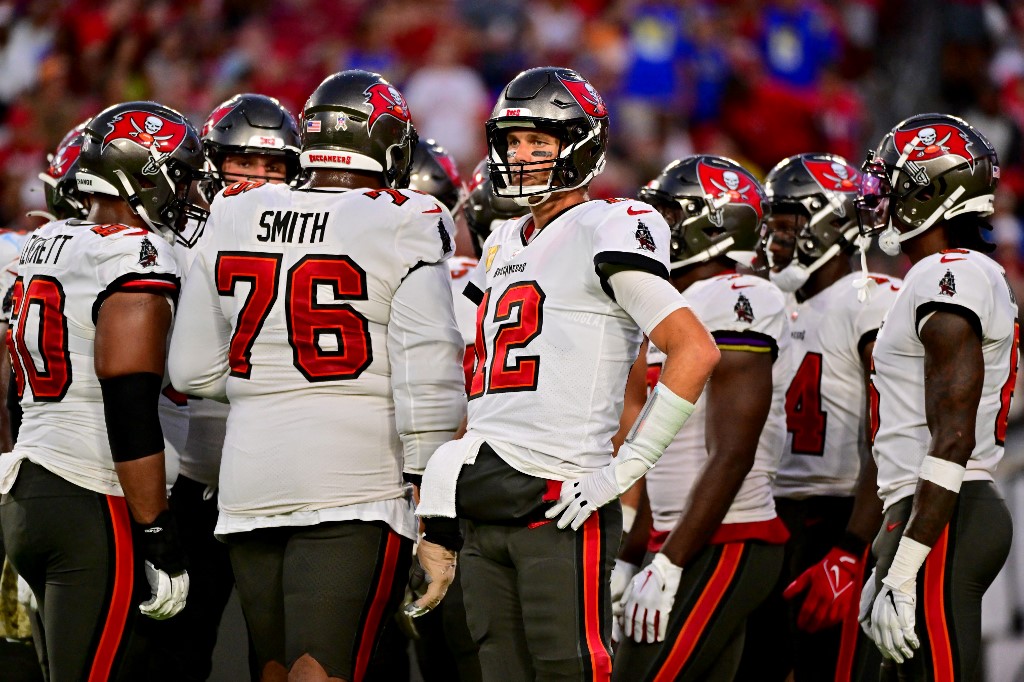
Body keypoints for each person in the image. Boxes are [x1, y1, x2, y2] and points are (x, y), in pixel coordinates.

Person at [416, 66, 720, 681]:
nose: (521, 155)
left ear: (579, 144)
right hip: (485, 496)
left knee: (569, 670)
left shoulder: (604, 224)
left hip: (561, 498)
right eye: (514, 140)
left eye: (539, 141)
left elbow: (693, 350)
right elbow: (469, 366)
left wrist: (624, 471)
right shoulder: (503, 239)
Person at [167, 70, 466, 682]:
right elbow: (429, 380)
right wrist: (438, 516)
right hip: (353, 481)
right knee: (320, 672)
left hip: (249, 479)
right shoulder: (406, 216)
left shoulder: (233, 211)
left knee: (273, 670)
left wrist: (271, 384)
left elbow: (192, 370)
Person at [0, 100, 204, 681]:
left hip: (31, 487)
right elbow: (129, 402)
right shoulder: (134, 254)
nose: (187, 193)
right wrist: (158, 528)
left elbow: (15, 384)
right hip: (95, 497)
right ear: (144, 171)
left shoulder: (47, 244)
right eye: (180, 175)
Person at [611, 155, 792, 681]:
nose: (657, 226)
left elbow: (733, 450)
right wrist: (634, 553)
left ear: (713, 220)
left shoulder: (737, 296)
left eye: (670, 212)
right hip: (685, 534)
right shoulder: (677, 305)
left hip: (728, 536)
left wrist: (670, 562)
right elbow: (657, 449)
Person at [856, 113, 1016, 679]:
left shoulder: (949, 273)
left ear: (932, 192)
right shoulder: (944, 274)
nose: (882, 198)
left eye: (895, 185)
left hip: (947, 511)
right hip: (928, 510)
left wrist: (904, 566)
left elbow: (952, 435)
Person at [149, 92, 302, 682]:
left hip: (276, 473)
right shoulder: (170, 244)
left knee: (284, 651)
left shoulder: (309, 242)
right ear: (211, 163)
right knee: (175, 652)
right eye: (243, 162)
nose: (259, 178)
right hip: (189, 476)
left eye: (273, 166)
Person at [739, 153, 901, 682]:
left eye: (787, 225)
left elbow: (890, 431)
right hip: (775, 515)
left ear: (831, 223)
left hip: (843, 514)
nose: (773, 241)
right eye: (770, 226)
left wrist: (854, 548)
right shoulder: (771, 304)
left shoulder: (870, 300)